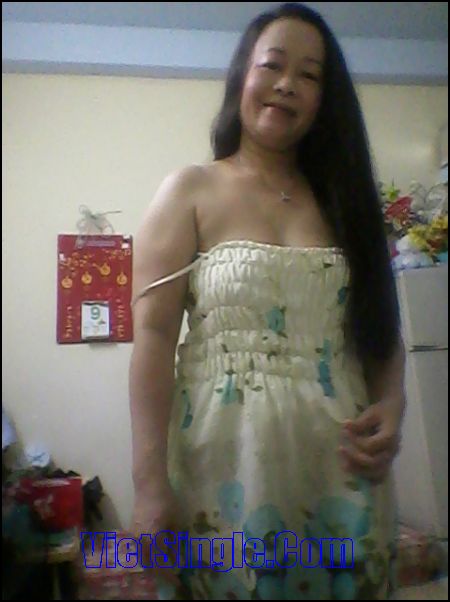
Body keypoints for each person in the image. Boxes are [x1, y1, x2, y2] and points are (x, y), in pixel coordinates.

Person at [129, 3, 406, 599]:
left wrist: (394, 401)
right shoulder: (190, 190)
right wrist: (149, 483)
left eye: (309, 74)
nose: (287, 84)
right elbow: (152, 339)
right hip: (224, 469)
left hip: (344, 469)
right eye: (273, 65)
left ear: (325, 98)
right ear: (242, 76)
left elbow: (380, 327)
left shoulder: (347, 202)